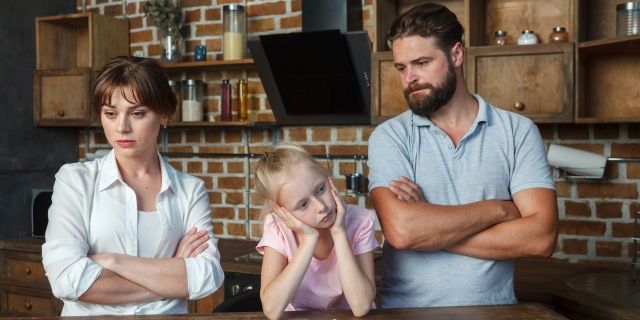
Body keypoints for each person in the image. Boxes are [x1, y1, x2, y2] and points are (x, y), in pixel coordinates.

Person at [367, 3, 558, 308]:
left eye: (421, 63)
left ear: (456, 54)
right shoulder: (390, 137)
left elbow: (541, 238)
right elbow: (402, 232)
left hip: (495, 314)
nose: (409, 79)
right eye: (401, 67)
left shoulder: (517, 131)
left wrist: (430, 226)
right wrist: (498, 210)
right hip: (405, 315)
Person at [42, 56, 224, 315]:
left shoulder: (190, 190)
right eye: (110, 114)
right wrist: (173, 274)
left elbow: (207, 276)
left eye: (138, 113)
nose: (121, 127)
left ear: (164, 115)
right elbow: (66, 279)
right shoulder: (75, 181)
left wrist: (113, 261)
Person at [254, 144, 379, 319]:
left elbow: (361, 306)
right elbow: (272, 310)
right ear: (283, 212)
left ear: (328, 179)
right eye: (303, 204)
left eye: (321, 189)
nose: (321, 207)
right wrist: (308, 239)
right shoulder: (277, 227)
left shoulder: (360, 221)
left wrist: (339, 232)